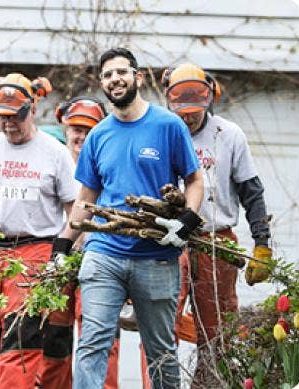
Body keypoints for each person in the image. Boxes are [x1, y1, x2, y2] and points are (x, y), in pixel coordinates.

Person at [52, 48, 204, 389]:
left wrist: (188, 221)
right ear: (103, 84)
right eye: (107, 75)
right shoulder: (98, 136)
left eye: (121, 71)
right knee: (92, 344)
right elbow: (86, 198)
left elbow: (194, 180)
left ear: (136, 77)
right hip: (104, 253)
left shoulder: (168, 126)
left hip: (157, 257)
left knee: (161, 352)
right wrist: (63, 244)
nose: (114, 79)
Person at [0, 73, 79, 389]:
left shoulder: (54, 152)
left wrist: (67, 252)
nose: (9, 124)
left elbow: (74, 209)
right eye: (2, 118)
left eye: (15, 116)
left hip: (36, 251)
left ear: (33, 109)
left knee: (20, 337)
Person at [161, 63, 272, 386]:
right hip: (170, 238)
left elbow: (252, 193)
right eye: (183, 110)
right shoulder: (164, 131)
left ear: (210, 99)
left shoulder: (229, 134)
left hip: (217, 239)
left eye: (195, 110)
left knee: (216, 329)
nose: (189, 117)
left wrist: (261, 242)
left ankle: (207, 383)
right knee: (160, 320)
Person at [55, 96, 121, 389]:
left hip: (101, 261)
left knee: (101, 340)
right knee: (52, 342)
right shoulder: (52, 158)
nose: (81, 136)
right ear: (65, 128)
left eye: (89, 129)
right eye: (76, 128)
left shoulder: (112, 161)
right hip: (57, 260)